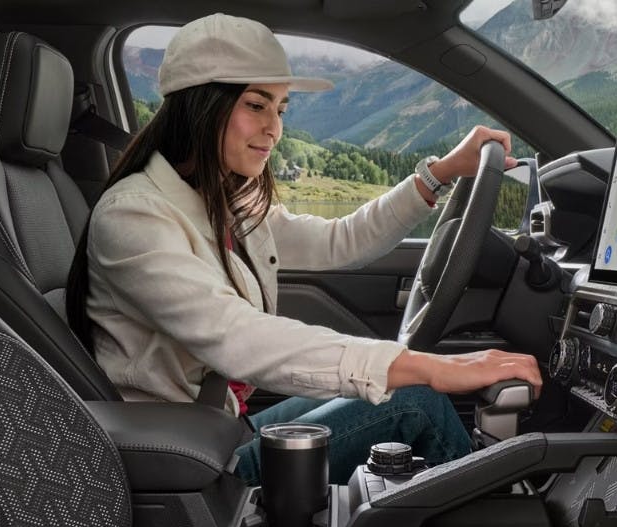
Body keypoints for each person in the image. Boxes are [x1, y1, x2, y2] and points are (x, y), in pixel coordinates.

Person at [77, 13, 541, 485]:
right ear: (199, 106)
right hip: (189, 465)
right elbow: (238, 337)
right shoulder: (134, 215)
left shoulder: (224, 203)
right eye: (256, 105)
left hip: (221, 429)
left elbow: (341, 240)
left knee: (407, 389)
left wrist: (437, 173)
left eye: (281, 109)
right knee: (416, 398)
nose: (274, 129)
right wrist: (430, 367)